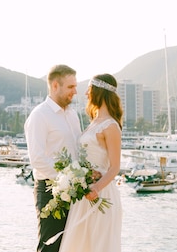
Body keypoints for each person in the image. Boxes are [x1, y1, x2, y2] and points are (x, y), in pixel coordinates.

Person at [59, 73, 123, 252]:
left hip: (100, 194)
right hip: (84, 193)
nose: (86, 93)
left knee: (98, 245)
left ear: (98, 91)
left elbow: (115, 166)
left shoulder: (110, 126)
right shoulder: (94, 122)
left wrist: (97, 187)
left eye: (89, 88)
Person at [24, 64, 82, 252]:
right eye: (70, 87)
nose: (75, 91)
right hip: (50, 191)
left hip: (75, 190)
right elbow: (38, 159)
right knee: (50, 246)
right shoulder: (39, 116)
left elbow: (77, 150)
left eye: (75, 86)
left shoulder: (72, 115)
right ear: (55, 85)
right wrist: (67, 180)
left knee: (72, 245)